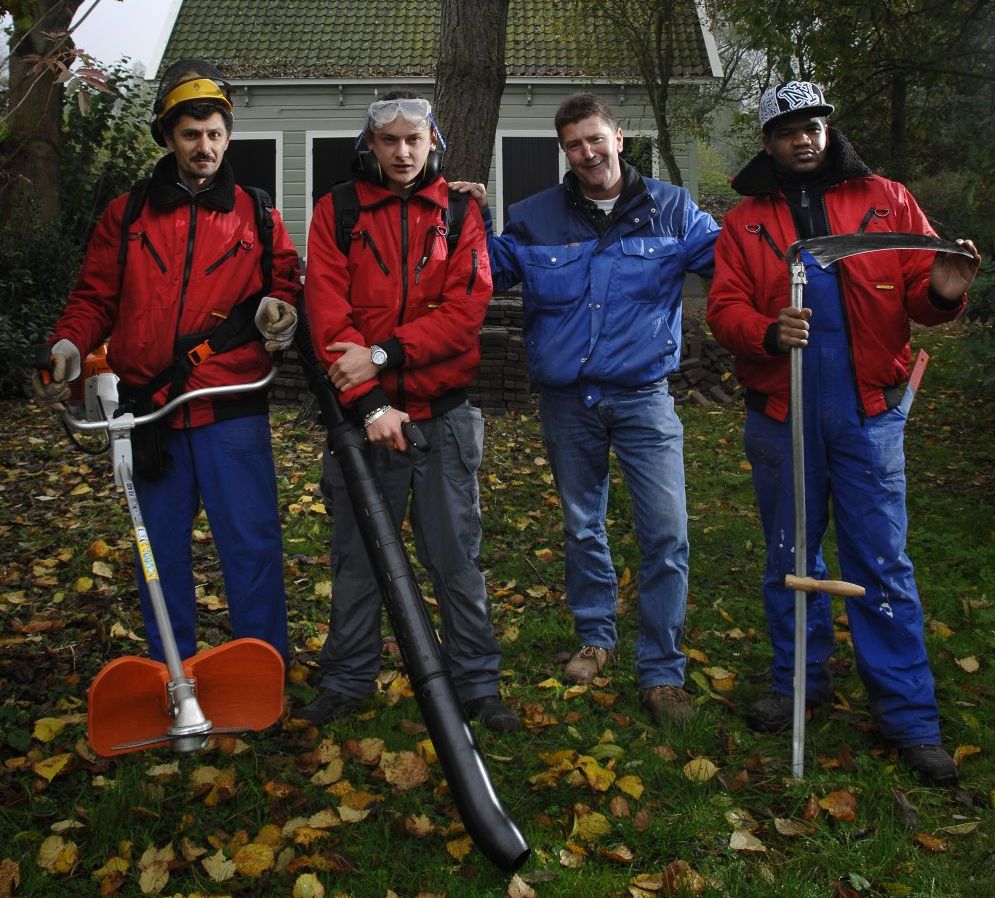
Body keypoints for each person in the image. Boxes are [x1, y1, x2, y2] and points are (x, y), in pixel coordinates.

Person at [706, 81, 981, 785]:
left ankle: (907, 717)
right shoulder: (746, 222)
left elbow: (920, 293)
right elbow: (724, 309)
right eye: (787, 129)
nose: (803, 138)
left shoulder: (886, 200)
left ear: (829, 130)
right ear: (768, 142)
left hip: (866, 415)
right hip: (782, 413)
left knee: (881, 562)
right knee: (789, 554)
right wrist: (767, 331)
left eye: (813, 125)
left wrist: (945, 293)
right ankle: (798, 684)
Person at [452, 93, 720, 725]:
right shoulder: (535, 217)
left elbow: (737, 268)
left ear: (620, 137)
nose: (588, 153)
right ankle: (596, 638)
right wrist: (462, 220)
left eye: (597, 139)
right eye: (574, 145)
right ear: (564, 152)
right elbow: (477, 276)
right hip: (568, 402)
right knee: (582, 525)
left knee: (667, 533)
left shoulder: (673, 210)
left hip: (644, 398)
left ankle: (661, 671)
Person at [33, 59, 300, 665]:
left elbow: (284, 283)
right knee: (156, 551)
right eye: (190, 134)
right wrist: (69, 345)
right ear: (167, 137)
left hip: (230, 406)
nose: (203, 147)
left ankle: (260, 666)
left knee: (250, 546)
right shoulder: (126, 215)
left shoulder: (257, 215)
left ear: (228, 137)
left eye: (213, 134)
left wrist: (280, 315)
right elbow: (94, 297)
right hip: (149, 409)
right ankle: (170, 671)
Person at [297, 92, 518, 733]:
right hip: (366, 421)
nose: (401, 152)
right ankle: (346, 678)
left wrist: (385, 354)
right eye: (388, 140)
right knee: (359, 556)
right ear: (370, 145)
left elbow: (464, 312)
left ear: (432, 144)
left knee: (455, 557)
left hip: (443, 416)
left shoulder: (460, 211)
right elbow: (327, 318)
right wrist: (370, 403)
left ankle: (476, 683)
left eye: (413, 140)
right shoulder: (336, 211)